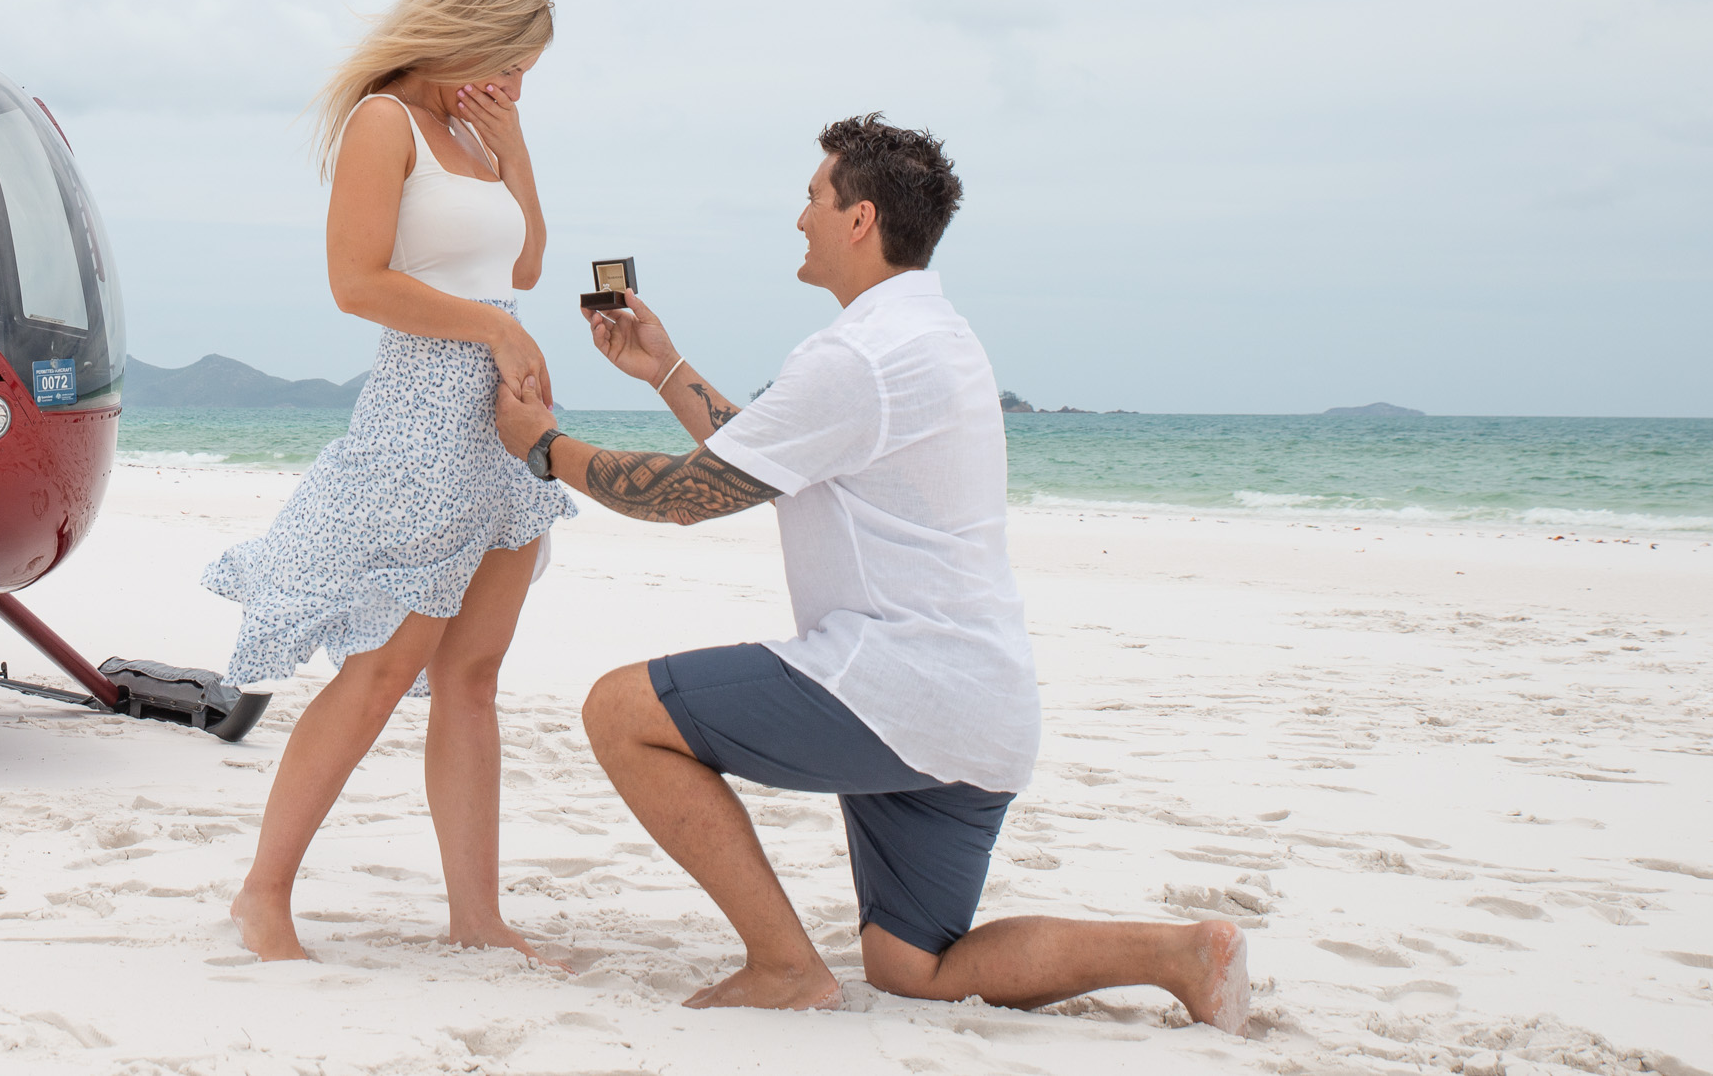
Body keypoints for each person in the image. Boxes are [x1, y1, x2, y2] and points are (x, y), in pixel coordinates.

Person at [491, 114, 1252, 1030]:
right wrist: (666, 370)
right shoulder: (931, 335)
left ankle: (782, 966)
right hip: (981, 715)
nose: (799, 217)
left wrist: (544, 447)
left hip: (900, 685)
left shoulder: (858, 355)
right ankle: (1180, 953)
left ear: (859, 218)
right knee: (913, 966)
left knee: (620, 710)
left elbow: (688, 498)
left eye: (813, 197)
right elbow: (777, 457)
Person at [205, 0, 575, 965]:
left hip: (503, 427)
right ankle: (262, 895)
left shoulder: (476, 132)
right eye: (509, 64)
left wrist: (515, 143)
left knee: (475, 676)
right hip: (421, 415)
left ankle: (477, 917)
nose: (513, 84)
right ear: (464, 34)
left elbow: (527, 265)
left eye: (526, 73)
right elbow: (354, 280)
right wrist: (493, 334)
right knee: (379, 671)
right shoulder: (385, 121)